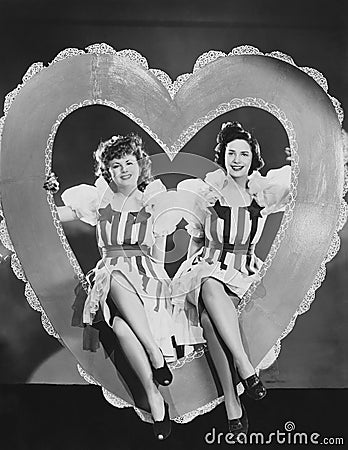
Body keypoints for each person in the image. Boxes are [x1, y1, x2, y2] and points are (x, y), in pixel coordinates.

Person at [44, 133, 177, 440]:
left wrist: (162, 285)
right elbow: (53, 218)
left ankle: (154, 374)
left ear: (139, 165)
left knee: (118, 312)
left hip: (145, 278)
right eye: (116, 165)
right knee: (115, 304)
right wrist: (48, 195)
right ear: (107, 170)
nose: (124, 170)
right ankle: (154, 386)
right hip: (109, 279)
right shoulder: (98, 200)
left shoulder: (152, 200)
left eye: (129, 162)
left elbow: (158, 250)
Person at [172, 121, 291, 438]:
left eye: (244, 154)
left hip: (244, 274)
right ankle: (245, 372)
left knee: (212, 323)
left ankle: (233, 399)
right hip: (207, 267)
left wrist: (302, 161)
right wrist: (184, 282)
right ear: (222, 155)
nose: (237, 159)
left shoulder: (263, 193)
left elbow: (313, 186)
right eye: (231, 153)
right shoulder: (205, 192)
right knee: (209, 282)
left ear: (253, 159)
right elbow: (196, 241)